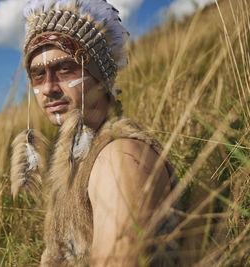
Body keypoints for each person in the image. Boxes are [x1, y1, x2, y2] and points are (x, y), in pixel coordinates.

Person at [10, 0, 179, 266]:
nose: (49, 88)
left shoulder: (120, 159)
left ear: (100, 76)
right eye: (38, 75)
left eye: (64, 68)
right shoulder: (80, 158)